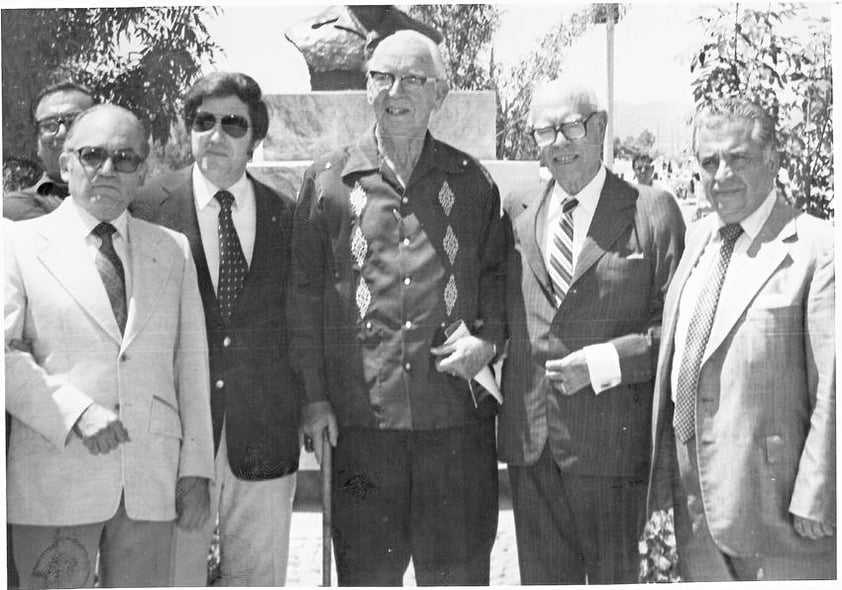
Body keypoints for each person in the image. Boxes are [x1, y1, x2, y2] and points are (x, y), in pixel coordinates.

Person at [289, 30, 508, 586]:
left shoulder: (474, 184)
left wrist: (488, 341)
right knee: (365, 575)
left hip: (454, 430)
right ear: (366, 89)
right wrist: (314, 398)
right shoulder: (327, 183)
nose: (396, 91)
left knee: (457, 578)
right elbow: (303, 299)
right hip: (362, 434)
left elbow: (500, 282)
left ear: (440, 93)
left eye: (413, 79)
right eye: (382, 77)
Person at [4, 104, 214, 588]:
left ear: (142, 171)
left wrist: (196, 468)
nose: (106, 169)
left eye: (124, 158)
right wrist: (75, 412)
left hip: (150, 482)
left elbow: (193, 368)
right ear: (65, 164)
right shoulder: (15, 243)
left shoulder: (172, 249)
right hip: (55, 479)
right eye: (92, 154)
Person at [498, 78, 686, 584]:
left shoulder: (652, 210)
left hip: (613, 452)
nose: (558, 142)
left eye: (572, 127)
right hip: (532, 449)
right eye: (544, 130)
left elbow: (675, 333)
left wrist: (603, 363)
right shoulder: (516, 210)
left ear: (599, 128)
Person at [647, 98, 835, 581]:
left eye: (739, 158)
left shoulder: (817, 248)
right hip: (695, 503)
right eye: (709, 162)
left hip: (777, 508)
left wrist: (820, 492)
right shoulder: (699, 241)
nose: (722, 174)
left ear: (773, 160)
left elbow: (834, 387)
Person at [132, 72, 303, 586]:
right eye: (204, 121)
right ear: (188, 129)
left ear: (256, 137)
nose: (216, 135)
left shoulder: (286, 216)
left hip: (263, 434)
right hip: (174, 438)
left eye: (233, 123)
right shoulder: (146, 208)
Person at [4, 81, 96, 220]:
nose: (61, 133)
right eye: (49, 125)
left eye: (74, 121)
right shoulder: (15, 211)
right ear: (36, 143)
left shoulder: (132, 202)